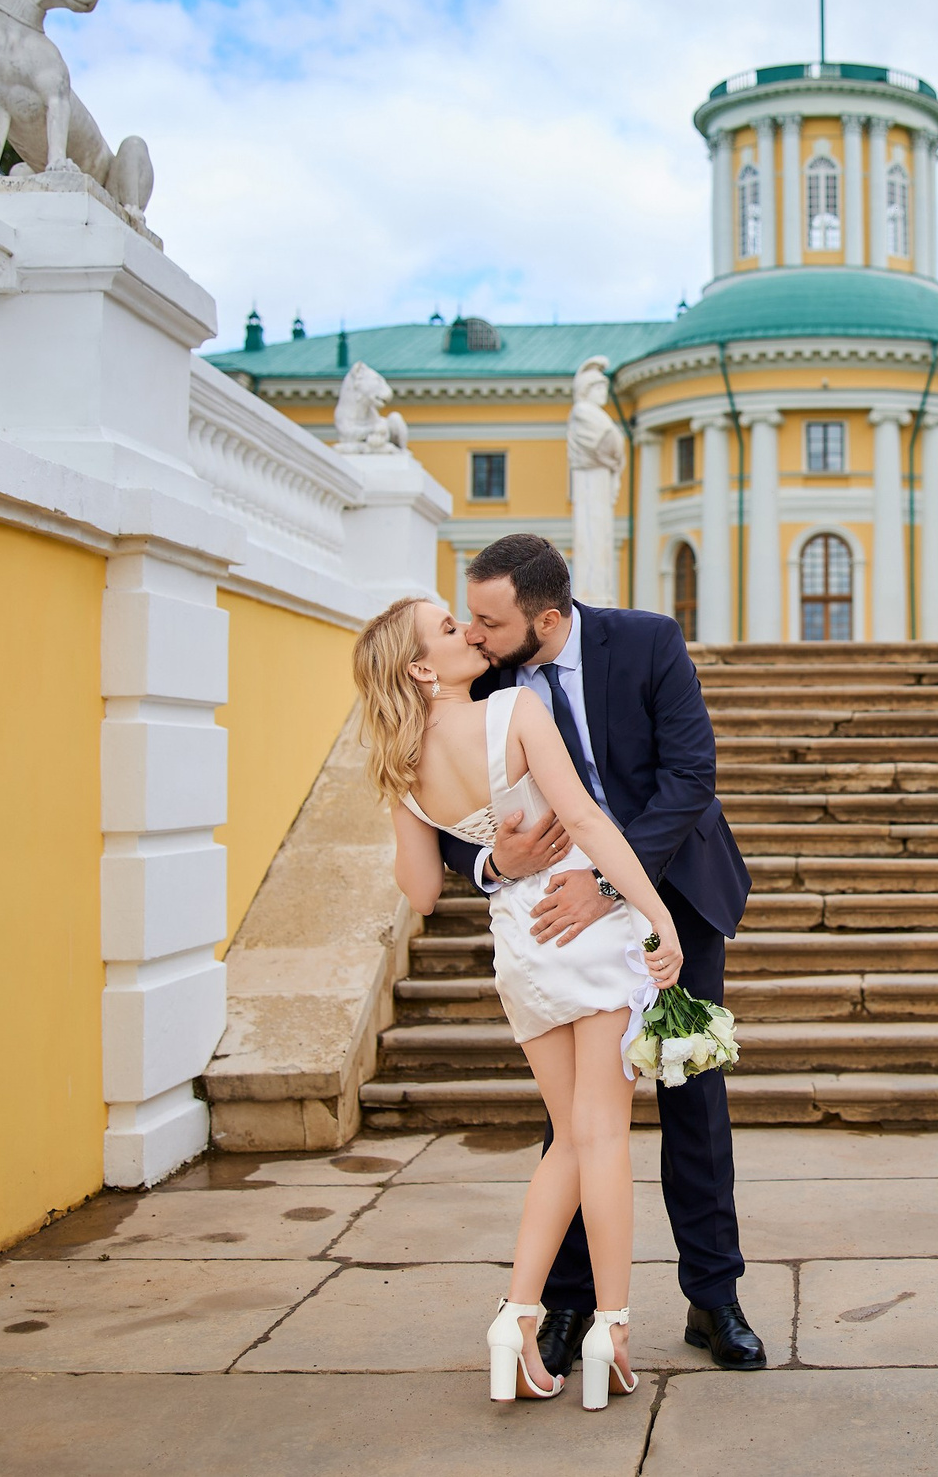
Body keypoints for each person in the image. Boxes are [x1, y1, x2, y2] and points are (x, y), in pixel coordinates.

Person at [440, 533, 767, 1378]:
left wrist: (612, 885)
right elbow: (446, 816)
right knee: (575, 1121)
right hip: (559, 923)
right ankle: (570, 1302)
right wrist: (492, 862)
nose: (473, 634)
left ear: (547, 619)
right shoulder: (485, 678)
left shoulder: (649, 641)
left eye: (489, 621)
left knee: (693, 1098)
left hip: (671, 895)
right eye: (470, 619)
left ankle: (715, 1297)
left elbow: (689, 777)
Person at [354, 594, 680, 1409]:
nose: (468, 631)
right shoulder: (516, 710)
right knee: (603, 1137)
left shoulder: (402, 769)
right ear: (422, 668)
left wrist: (483, 853)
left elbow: (422, 891)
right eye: (447, 628)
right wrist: (656, 914)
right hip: (584, 928)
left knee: (568, 1137)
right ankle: (611, 1330)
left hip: (521, 950)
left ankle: (518, 1316)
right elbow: (587, 820)